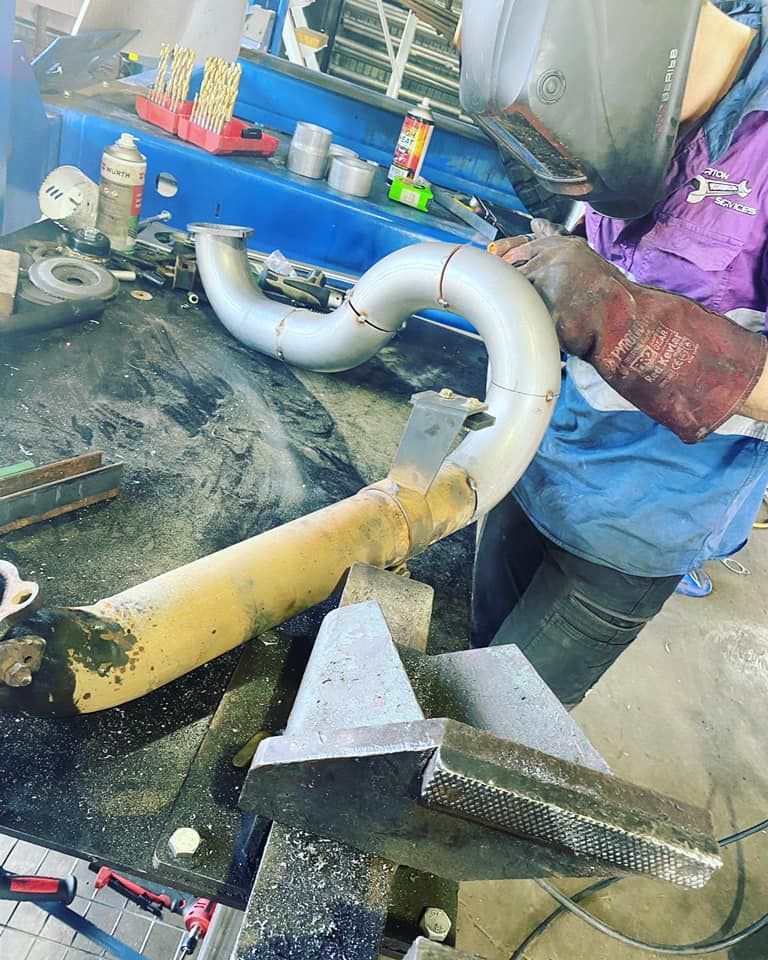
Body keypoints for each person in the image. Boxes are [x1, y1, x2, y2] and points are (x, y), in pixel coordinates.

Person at [463, 0, 768, 706]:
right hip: (533, 457)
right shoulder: (627, 107)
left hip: (637, 522)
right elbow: (606, 238)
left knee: (499, 725)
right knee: (473, 651)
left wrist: (620, 318)